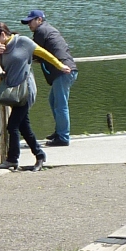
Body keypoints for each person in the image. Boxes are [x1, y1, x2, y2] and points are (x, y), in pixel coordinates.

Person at [0, 21, 72, 172]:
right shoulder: (1, 49)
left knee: (12, 126)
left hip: (26, 91)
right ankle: (39, 155)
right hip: (14, 93)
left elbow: (44, 53)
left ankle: (12, 159)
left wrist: (60, 66)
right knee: (24, 127)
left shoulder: (23, 42)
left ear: (3, 34)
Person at [22, 10, 78, 148]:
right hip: (66, 70)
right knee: (53, 101)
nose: (29, 24)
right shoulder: (48, 29)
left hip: (63, 71)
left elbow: (34, 52)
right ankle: (59, 132)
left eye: (31, 21)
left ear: (39, 20)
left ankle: (63, 138)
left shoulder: (41, 31)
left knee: (60, 105)